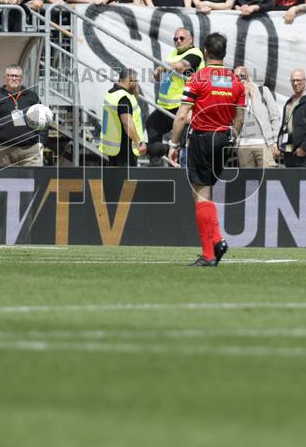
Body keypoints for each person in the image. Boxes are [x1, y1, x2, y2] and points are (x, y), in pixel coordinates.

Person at [167, 33, 245, 267]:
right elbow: (239, 118)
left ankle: (213, 248)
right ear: (224, 52)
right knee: (205, 192)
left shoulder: (198, 78)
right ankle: (212, 249)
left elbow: (182, 115)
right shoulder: (235, 81)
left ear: (205, 52)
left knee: (200, 194)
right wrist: (230, 137)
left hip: (202, 138)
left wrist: (173, 144)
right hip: (224, 139)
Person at [147, 28, 204, 162]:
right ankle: (160, 157)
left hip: (183, 105)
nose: (178, 41)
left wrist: (163, 67)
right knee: (151, 124)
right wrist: (159, 75)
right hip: (167, 106)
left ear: (191, 40)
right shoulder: (173, 53)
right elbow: (168, 74)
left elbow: (181, 67)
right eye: (175, 38)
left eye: (182, 38)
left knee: (183, 141)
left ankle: (178, 160)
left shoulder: (195, 53)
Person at [0, 65, 43, 167]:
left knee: (32, 181)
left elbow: (43, 119)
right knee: (7, 182)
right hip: (4, 150)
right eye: (11, 75)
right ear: (5, 78)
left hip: (30, 150)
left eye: (17, 76)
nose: (14, 78)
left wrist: (41, 141)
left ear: (21, 78)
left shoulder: (32, 96)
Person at [233, 67, 280, 168]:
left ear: (249, 76)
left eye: (243, 76)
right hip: (243, 145)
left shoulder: (262, 90)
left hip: (264, 144)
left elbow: (275, 116)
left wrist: (275, 141)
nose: (240, 79)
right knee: (248, 181)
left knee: (268, 179)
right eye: (236, 77)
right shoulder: (233, 95)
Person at [100, 67, 147, 167]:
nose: (137, 83)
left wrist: (135, 87)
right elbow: (127, 124)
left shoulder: (112, 92)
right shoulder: (124, 99)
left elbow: (134, 98)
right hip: (125, 148)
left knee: (116, 179)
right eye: (136, 81)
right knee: (128, 181)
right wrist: (139, 143)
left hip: (114, 147)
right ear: (130, 81)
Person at [278, 68, 306, 168]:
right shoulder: (289, 102)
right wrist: (280, 145)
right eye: (293, 81)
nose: (296, 83)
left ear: (305, 81)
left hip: (305, 155)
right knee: (290, 182)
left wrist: (303, 147)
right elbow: (285, 126)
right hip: (288, 152)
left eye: (299, 80)